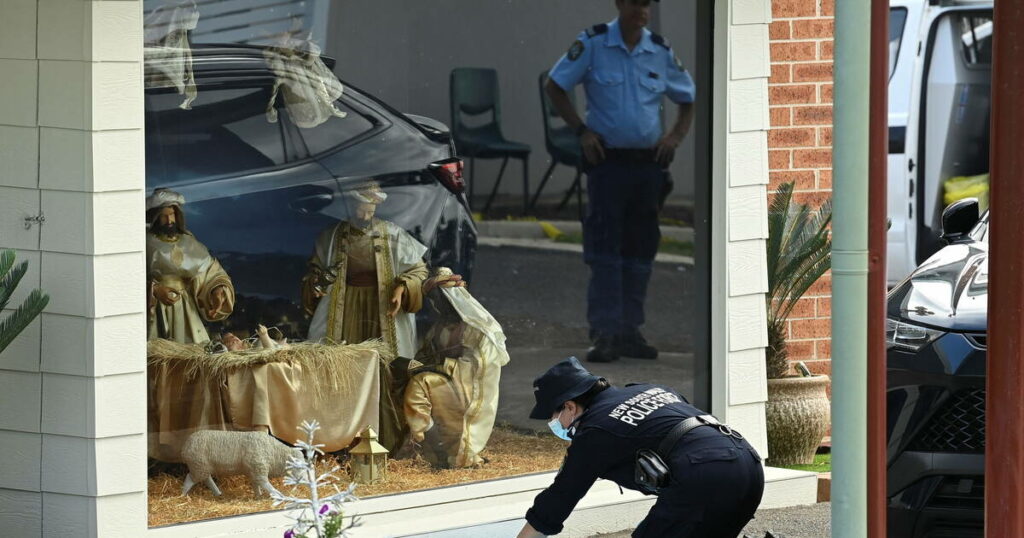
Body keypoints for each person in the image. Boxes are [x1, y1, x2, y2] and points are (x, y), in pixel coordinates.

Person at [545, 0, 696, 363]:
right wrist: (581, 131)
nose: (641, 10)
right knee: (605, 252)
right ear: (619, 3)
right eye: (634, 2)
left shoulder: (658, 50)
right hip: (608, 164)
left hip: (647, 167)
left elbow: (687, 97)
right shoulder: (594, 44)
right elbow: (556, 85)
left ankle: (630, 331)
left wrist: (673, 137)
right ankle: (605, 333)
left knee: (640, 251)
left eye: (647, 3)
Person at [517, 357, 763, 538]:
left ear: (570, 407)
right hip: (747, 462)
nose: (553, 424)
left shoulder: (594, 432)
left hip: (705, 475)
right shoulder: (647, 388)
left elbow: (559, 498)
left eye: (553, 416)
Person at [301, 181, 429, 450]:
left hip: (380, 309)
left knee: (384, 368)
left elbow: (419, 270)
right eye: (360, 207)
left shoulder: (392, 234)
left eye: (369, 208)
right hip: (344, 308)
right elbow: (316, 270)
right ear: (350, 205)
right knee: (341, 366)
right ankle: (340, 437)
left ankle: (388, 435)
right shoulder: (332, 236)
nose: (364, 214)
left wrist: (402, 287)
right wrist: (316, 283)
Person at [146, 188, 234, 344]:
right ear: (155, 217)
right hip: (154, 310)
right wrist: (154, 290)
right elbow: (127, 276)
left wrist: (217, 289)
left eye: (172, 215)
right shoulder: (145, 242)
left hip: (185, 311)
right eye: (164, 216)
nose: (169, 221)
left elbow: (209, 271)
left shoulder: (188, 242)